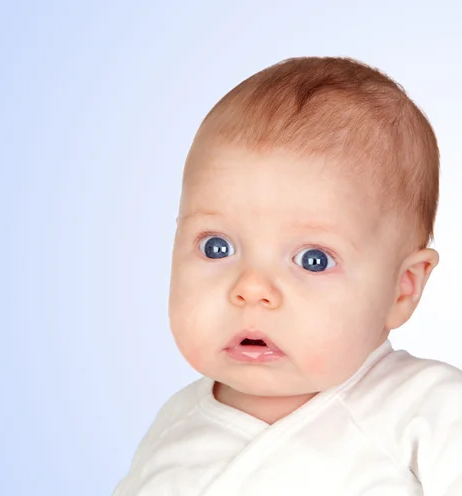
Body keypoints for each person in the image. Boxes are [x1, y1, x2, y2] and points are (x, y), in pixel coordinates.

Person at [112, 56, 462, 495]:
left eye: (313, 259)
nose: (251, 288)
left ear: (402, 287)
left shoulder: (430, 411)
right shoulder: (174, 425)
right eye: (216, 247)